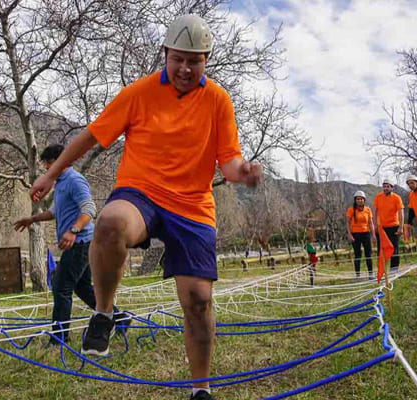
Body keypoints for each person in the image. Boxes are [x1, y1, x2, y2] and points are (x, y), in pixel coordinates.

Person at [29, 14, 262, 400]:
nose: (186, 68)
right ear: (166, 53)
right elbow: (90, 136)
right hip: (142, 194)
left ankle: (200, 389)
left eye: (195, 60)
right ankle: (103, 313)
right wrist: (51, 174)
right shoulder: (138, 92)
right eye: (179, 59)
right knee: (109, 223)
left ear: (206, 59)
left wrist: (244, 171)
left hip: (191, 206)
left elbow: (229, 161)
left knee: (199, 302)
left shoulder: (218, 100)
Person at [13, 144, 128, 346]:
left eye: (48, 164)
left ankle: (59, 337)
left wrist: (73, 231)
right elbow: (55, 211)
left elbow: (89, 209)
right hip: (80, 243)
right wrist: (32, 219)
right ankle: (119, 319)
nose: (47, 170)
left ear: (59, 162)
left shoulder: (75, 181)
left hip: (82, 242)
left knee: (61, 286)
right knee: (82, 288)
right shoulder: (60, 184)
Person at [372, 178, 404, 273]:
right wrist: (375, 226)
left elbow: (401, 213)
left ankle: (394, 270)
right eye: (384, 186)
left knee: (394, 249)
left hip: (394, 226)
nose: (385, 188)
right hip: (381, 228)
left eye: (388, 186)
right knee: (381, 250)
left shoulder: (397, 198)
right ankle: (381, 271)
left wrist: (401, 227)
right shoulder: (378, 197)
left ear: (391, 187)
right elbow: (375, 212)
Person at [345, 191, 376, 279]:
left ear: (364, 200)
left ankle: (370, 274)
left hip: (366, 233)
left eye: (361, 199)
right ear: (355, 200)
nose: (360, 200)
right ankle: (357, 275)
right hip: (355, 234)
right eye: (358, 199)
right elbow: (347, 222)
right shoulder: (351, 210)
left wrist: (373, 235)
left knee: (368, 254)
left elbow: (371, 223)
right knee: (357, 255)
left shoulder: (368, 209)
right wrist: (349, 234)